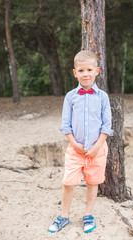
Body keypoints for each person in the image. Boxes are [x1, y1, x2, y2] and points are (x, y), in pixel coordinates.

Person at [48, 50, 113, 234]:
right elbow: (65, 125)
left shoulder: (102, 97)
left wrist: (97, 146)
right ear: (75, 73)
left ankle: (88, 214)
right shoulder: (70, 97)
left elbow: (107, 126)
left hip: (97, 150)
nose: (86, 74)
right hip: (75, 149)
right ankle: (64, 216)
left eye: (89, 70)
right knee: (68, 182)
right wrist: (74, 144)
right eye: (81, 70)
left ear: (97, 71)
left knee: (93, 183)